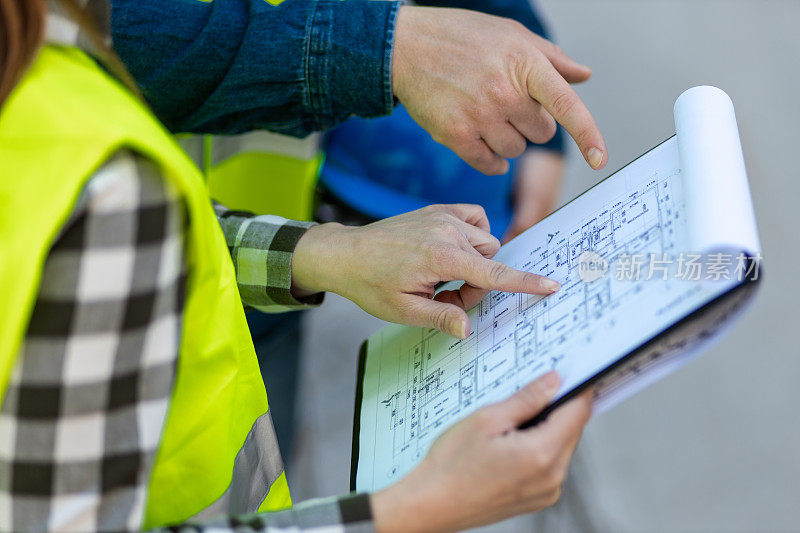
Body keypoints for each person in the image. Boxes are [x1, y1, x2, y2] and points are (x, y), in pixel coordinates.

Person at [0, 2, 595, 531]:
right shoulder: (107, 185)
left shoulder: (46, 99)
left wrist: (317, 255)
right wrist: (412, 509)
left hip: (250, 302)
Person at [111, 0, 608, 176]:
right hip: (110, 249)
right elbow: (76, 28)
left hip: (277, 256)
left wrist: (516, 62)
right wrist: (389, 47)